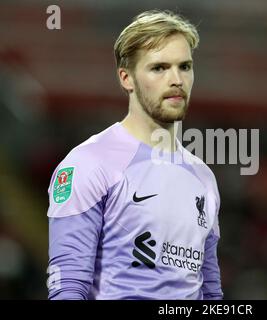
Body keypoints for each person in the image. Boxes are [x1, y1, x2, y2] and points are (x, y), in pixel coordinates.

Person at [46, 10, 223, 300]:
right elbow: (68, 285)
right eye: (159, 68)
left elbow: (211, 292)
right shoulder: (89, 163)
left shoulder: (203, 178)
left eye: (185, 66)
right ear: (126, 78)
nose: (176, 79)